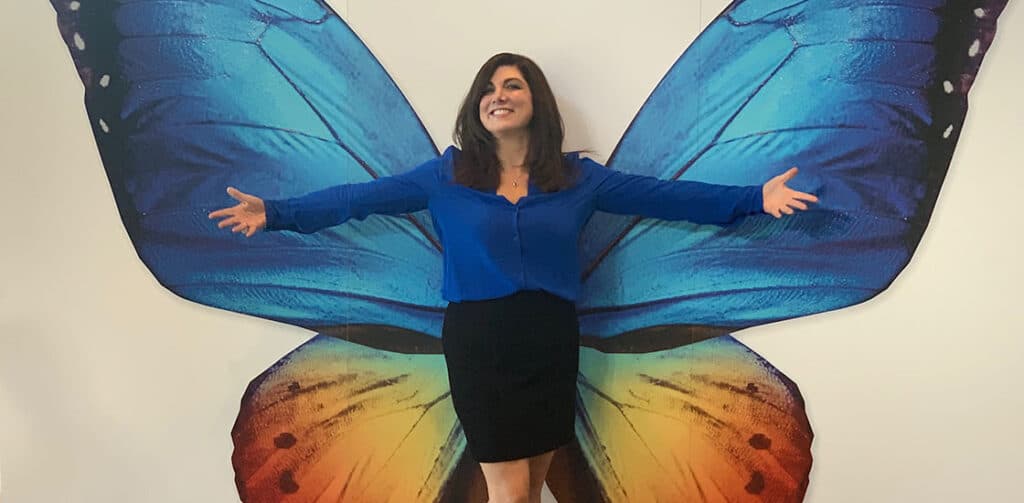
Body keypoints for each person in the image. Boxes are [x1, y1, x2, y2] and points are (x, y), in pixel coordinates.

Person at [208, 52, 817, 503]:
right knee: (504, 485)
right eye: (488, 89)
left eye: (513, 85)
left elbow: (666, 198)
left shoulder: (580, 179)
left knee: (529, 485)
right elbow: (355, 199)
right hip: (479, 337)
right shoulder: (442, 177)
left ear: (536, 103)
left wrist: (754, 197)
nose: (498, 95)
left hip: (550, 336)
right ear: (477, 109)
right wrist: (277, 213)